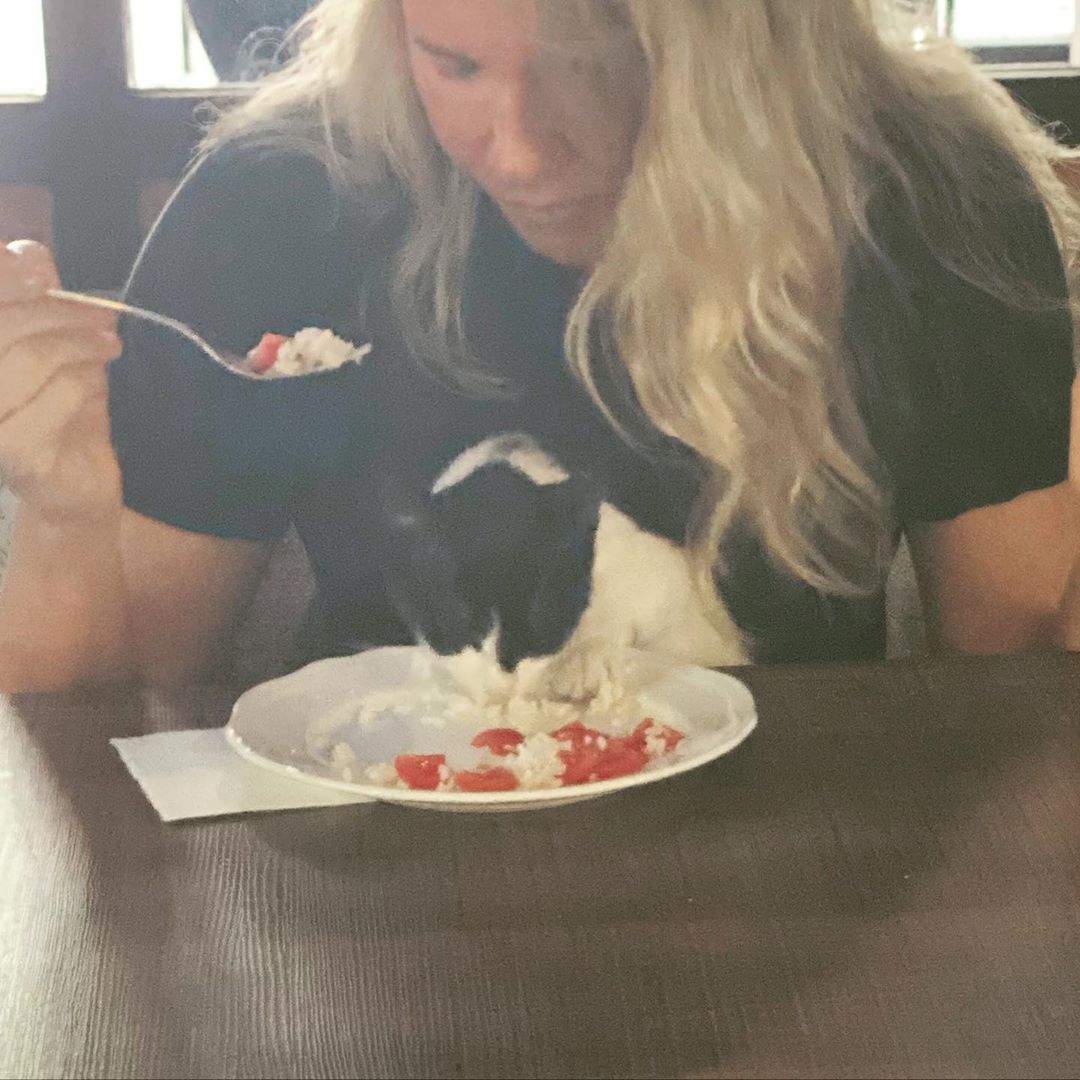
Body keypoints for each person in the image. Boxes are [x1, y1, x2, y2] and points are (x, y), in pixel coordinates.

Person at [0, 0, 1078, 692]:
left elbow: (1016, 688)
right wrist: (59, 516)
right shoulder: (282, 194)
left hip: (803, 878)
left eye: (592, 71)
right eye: (455, 64)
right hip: (367, 889)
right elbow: (124, 709)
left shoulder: (929, 194)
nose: (517, 152)